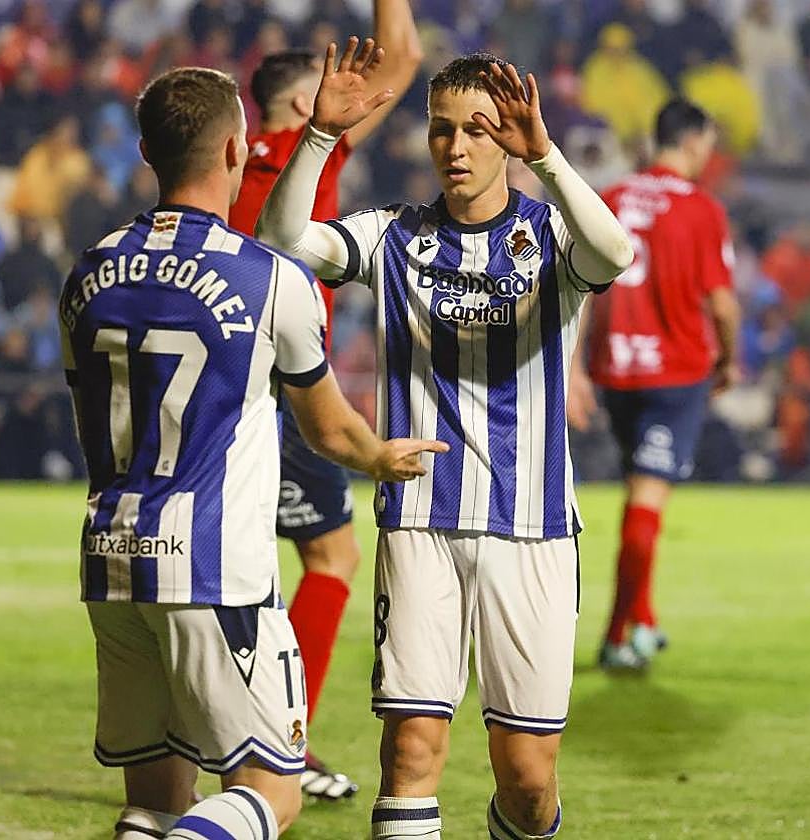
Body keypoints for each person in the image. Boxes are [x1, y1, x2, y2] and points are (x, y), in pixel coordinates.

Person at [258, 43, 633, 840]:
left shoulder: (550, 238)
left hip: (531, 530)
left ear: (508, 140)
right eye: (441, 130)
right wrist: (318, 138)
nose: (456, 147)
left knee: (527, 777)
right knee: (412, 749)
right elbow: (284, 239)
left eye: (476, 130)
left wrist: (551, 159)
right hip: (421, 521)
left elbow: (617, 253)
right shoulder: (394, 234)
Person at [59, 67, 445, 840]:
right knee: (273, 793)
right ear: (237, 149)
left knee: (155, 801)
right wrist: (380, 458)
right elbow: (328, 428)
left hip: (113, 559)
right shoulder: (271, 278)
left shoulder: (89, 271)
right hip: (213, 569)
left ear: (146, 152)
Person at [226, 0, 422, 799]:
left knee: (240, 567)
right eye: (331, 85)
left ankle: (222, 735)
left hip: (222, 389)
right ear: (307, 104)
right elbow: (404, 59)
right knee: (333, 557)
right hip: (289, 389)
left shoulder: (229, 158)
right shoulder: (313, 154)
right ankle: (283, 742)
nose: (350, 90)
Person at [568, 99, 741, 672]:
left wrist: (573, 368)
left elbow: (581, 288)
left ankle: (643, 618)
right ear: (694, 141)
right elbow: (721, 303)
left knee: (639, 491)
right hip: (675, 372)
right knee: (647, 502)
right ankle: (618, 635)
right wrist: (730, 361)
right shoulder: (701, 209)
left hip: (616, 370)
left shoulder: (612, 197)